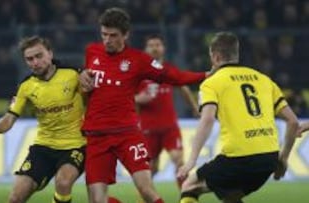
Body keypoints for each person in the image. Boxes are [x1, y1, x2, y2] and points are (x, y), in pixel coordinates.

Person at [79, 7, 210, 203]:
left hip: (127, 134)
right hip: (97, 136)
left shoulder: (139, 60)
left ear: (126, 35)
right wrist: (80, 73)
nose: (107, 40)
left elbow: (173, 76)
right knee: (97, 200)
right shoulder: (92, 51)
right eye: (104, 34)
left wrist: (205, 75)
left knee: (146, 190)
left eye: (113, 35)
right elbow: (82, 80)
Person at [177, 32, 299, 203]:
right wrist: (283, 159)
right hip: (268, 158)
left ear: (216, 56)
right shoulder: (264, 79)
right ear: (236, 54)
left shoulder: (211, 83)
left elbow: (207, 119)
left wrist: (191, 161)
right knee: (232, 196)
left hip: (238, 158)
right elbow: (293, 122)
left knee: (190, 186)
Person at [0, 36, 86, 203]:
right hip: (43, 147)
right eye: (29, 59)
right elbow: (10, 116)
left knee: (63, 182)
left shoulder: (73, 74)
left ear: (50, 54)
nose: (35, 62)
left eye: (39, 56)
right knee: (15, 198)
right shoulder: (26, 86)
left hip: (75, 145)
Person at [135, 34, 200, 188]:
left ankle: (186, 195)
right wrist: (138, 98)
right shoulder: (139, 72)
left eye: (158, 45)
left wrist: (194, 108)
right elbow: (126, 97)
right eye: (151, 45)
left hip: (169, 126)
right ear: (145, 50)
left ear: (163, 49)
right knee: (151, 169)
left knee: (178, 160)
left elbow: (183, 86)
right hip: (147, 129)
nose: (155, 48)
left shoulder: (168, 70)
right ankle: (145, 197)